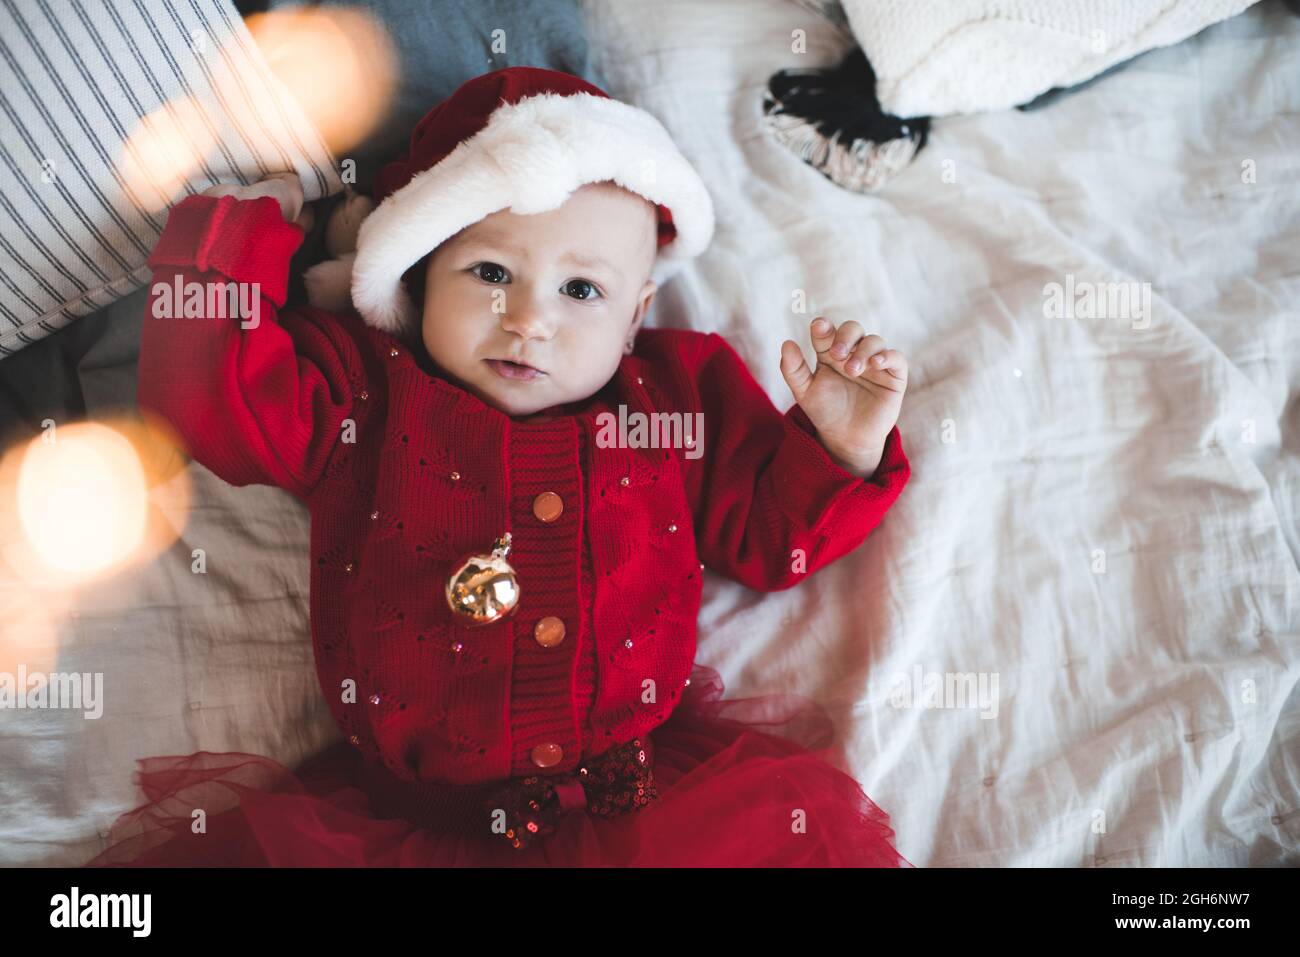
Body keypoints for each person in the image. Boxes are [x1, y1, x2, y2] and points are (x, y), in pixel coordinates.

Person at [87, 67, 913, 868]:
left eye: (581, 291)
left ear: (635, 318)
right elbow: (207, 402)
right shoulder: (364, 390)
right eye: (489, 273)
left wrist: (838, 447)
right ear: (416, 278)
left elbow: (771, 542)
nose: (529, 320)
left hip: (650, 815)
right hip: (407, 825)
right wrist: (238, 235)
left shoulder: (673, 395)